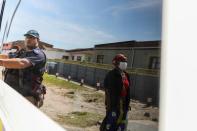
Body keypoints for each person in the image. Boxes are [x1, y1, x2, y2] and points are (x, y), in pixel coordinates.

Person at [0, 30, 46, 107]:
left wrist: (1, 62)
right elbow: (7, 56)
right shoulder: (22, 52)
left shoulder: (39, 55)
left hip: (26, 96)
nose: (28, 39)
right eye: (27, 37)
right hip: (12, 92)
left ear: (37, 40)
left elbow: (21, 63)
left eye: (31, 37)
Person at [100, 54, 131, 131]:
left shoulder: (126, 75)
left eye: (125, 61)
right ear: (116, 63)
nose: (125, 63)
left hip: (124, 105)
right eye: (122, 61)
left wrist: (127, 105)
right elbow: (109, 91)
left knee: (122, 125)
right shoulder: (111, 74)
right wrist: (110, 106)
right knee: (111, 125)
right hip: (114, 105)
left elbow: (128, 90)